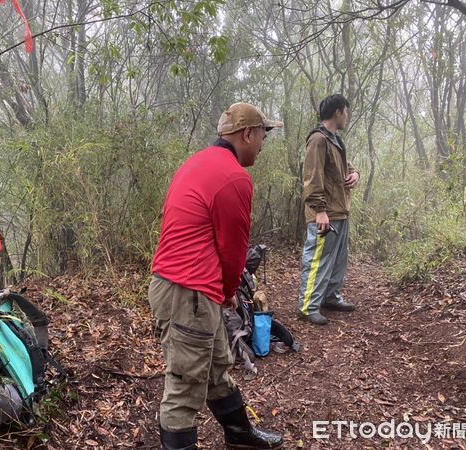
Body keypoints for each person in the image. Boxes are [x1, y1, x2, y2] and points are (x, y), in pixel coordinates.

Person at [149, 102, 284, 449]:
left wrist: (219, 291)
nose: (263, 143)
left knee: (215, 366)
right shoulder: (234, 177)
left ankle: (241, 436)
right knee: (184, 386)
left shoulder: (196, 163)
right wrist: (227, 292)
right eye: (263, 134)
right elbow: (233, 249)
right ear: (247, 134)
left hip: (178, 285)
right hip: (188, 291)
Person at [296, 94, 360, 325]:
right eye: (347, 111)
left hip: (340, 210)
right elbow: (311, 178)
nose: (348, 116)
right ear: (338, 112)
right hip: (324, 213)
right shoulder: (318, 140)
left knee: (338, 260)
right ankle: (307, 306)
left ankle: (330, 298)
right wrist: (320, 210)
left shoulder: (336, 140)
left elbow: (345, 166)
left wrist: (355, 173)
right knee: (317, 260)